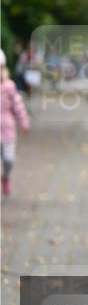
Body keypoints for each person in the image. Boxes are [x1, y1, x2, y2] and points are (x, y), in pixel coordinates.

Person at [0, 50, 30, 197]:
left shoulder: (9, 86)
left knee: (9, 159)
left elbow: (17, 105)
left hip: (7, 129)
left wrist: (24, 121)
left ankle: (5, 176)